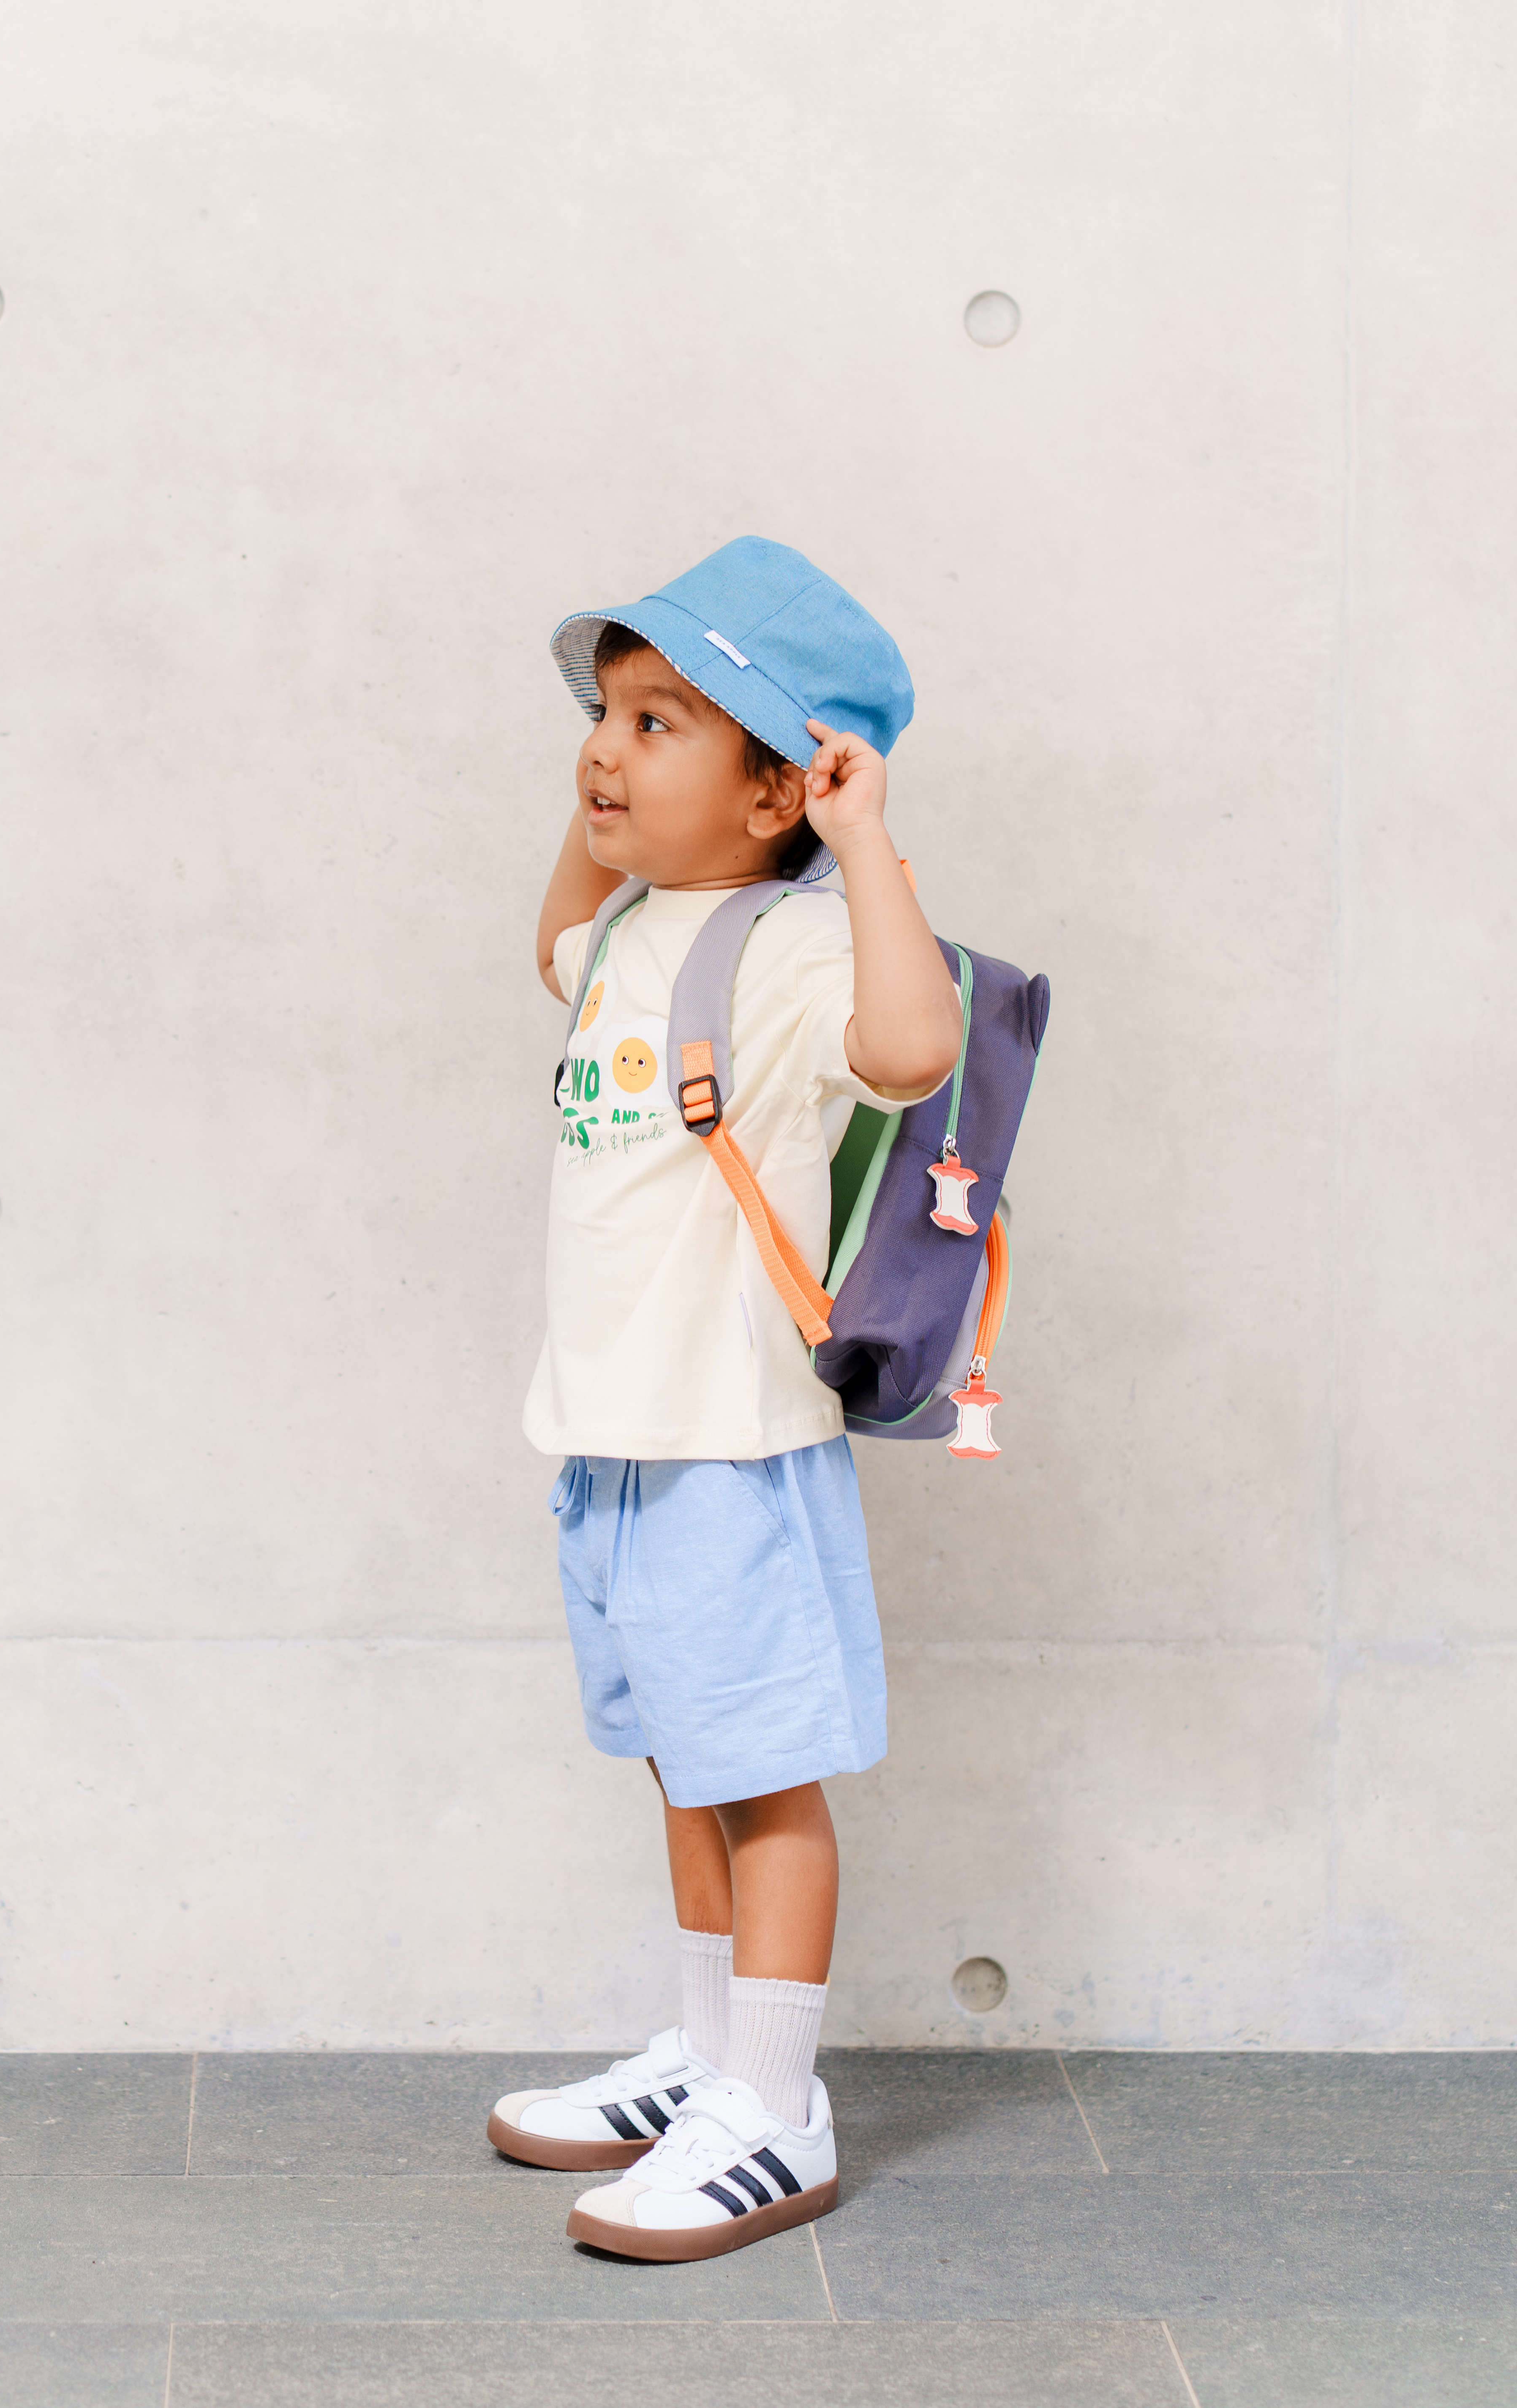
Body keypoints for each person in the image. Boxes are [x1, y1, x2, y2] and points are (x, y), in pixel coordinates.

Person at [488, 537, 963, 2261]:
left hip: (733, 1450)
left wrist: (862, 838)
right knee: (685, 1765)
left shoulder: (796, 940)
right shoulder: (629, 929)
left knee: (763, 1784)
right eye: (603, 715)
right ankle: (705, 2057)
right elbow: (553, 935)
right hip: (616, 1442)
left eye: (658, 722)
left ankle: (774, 2105)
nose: (604, 750)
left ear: (776, 790)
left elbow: (912, 1049)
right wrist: (609, 806)